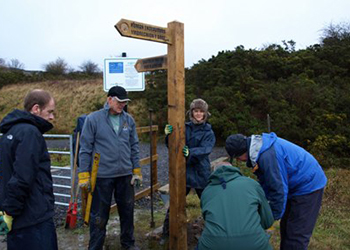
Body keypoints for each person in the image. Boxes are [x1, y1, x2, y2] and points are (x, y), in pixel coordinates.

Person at [225, 132, 327, 250]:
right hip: (294, 184)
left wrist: (269, 218)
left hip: (308, 185)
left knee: (296, 232)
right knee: (286, 227)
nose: (239, 161)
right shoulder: (258, 148)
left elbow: (278, 190)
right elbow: (267, 182)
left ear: (242, 153)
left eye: (238, 158)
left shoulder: (267, 156)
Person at [78, 86, 142, 250]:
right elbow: (85, 148)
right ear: (109, 100)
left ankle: (128, 245)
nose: (122, 105)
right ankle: (95, 246)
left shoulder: (129, 120)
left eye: (125, 102)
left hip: (125, 175)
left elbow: (134, 146)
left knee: (127, 212)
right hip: (102, 176)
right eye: (119, 101)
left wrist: (136, 170)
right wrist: (84, 175)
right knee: (99, 216)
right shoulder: (93, 119)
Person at [0, 89, 58, 250]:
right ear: (36, 109)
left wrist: (6, 212)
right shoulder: (30, 133)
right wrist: (10, 211)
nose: (52, 117)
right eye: (50, 112)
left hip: (17, 219)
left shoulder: (9, 133)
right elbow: (22, 177)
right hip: (34, 218)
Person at [162, 98, 216, 239]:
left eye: (201, 111)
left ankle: (214, 233)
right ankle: (166, 233)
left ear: (205, 113)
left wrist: (191, 152)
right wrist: (168, 136)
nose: (198, 114)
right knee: (175, 203)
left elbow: (206, 149)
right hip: (183, 171)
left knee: (208, 204)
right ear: (191, 113)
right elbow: (172, 146)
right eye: (196, 111)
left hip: (200, 172)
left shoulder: (208, 131)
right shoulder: (183, 127)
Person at [197, 162, 274, 250]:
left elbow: (207, 219)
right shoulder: (252, 184)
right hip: (254, 243)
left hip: (213, 244)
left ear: (213, 174)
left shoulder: (207, 191)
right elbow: (267, 221)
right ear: (234, 170)